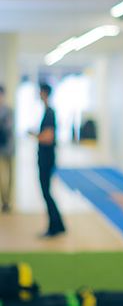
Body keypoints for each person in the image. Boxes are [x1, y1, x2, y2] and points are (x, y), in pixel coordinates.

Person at [29, 83, 65, 238]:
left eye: (40, 92)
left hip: (46, 158)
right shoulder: (47, 112)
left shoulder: (50, 113)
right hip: (45, 157)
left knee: (46, 192)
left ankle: (54, 226)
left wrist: (34, 135)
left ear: (44, 93)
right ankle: (57, 225)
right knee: (46, 192)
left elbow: (48, 138)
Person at [0, 85, 15, 213]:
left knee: (10, 178)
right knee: (2, 179)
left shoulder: (9, 110)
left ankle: (8, 201)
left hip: (9, 148)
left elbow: (9, 128)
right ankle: (5, 201)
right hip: (1, 150)